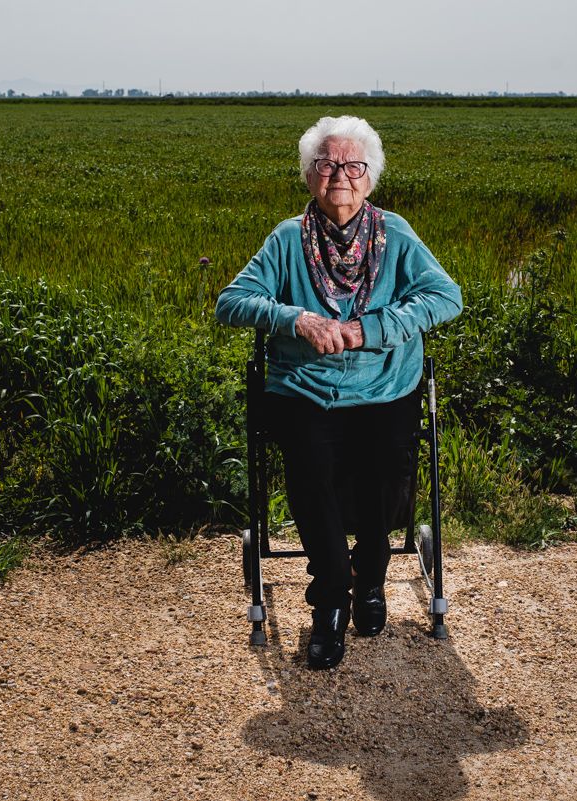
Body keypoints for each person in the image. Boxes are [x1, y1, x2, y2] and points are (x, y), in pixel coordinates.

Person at [215, 116, 462, 669]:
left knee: (387, 468)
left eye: (353, 166)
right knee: (309, 470)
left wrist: (369, 329)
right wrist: (295, 319)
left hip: (386, 386)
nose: (340, 176)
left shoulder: (396, 234)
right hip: (304, 389)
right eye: (327, 165)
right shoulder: (285, 240)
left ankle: (370, 577)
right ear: (309, 177)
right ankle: (330, 599)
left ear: (370, 178)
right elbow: (230, 303)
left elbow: (446, 298)